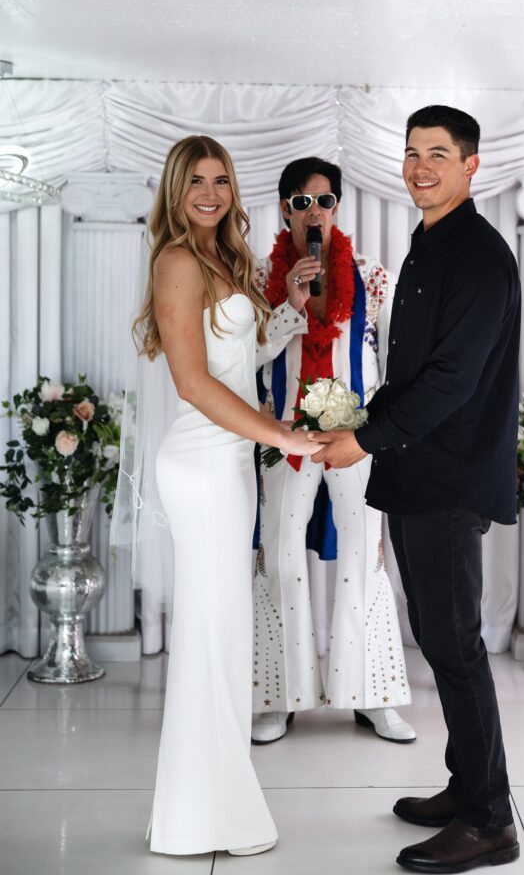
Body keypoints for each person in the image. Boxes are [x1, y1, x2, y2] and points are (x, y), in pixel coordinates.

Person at [310, 106, 522, 873]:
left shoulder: (478, 257)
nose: (420, 166)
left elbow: (453, 379)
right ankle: (466, 784)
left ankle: (488, 820)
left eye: (438, 154)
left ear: (471, 165)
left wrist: (361, 437)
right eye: (410, 154)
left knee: (455, 647)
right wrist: (367, 421)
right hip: (417, 469)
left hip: (449, 474)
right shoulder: (429, 243)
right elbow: (412, 369)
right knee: (438, 638)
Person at [131, 135, 312, 856]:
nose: (210, 192)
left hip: (230, 463)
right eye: (195, 181)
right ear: (175, 190)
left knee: (223, 634)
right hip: (203, 466)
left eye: (221, 180)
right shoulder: (177, 260)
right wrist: (283, 437)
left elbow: (236, 361)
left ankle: (206, 807)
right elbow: (193, 384)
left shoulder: (222, 259)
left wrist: (287, 308)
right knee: (210, 636)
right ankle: (199, 815)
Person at [251, 156, 415, 746]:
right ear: (284, 209)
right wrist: (290, 304)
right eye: (300, 202)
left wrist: (383, 430)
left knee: (364, 558)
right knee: (280, 557)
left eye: (322, 200)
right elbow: (247, 361)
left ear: (338, 206)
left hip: (355, 436)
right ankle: (279, 694)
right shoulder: (259, 278)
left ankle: (369, 695)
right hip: (283, 437)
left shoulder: (372, 276)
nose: (312, 212)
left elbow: (395, 364)